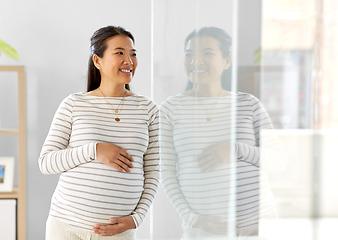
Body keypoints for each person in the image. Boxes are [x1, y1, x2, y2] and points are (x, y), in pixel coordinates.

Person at [160, 26, 287, 238]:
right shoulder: (170, 109)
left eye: (207, 53)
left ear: (226, 61)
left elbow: (279, 161)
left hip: (258, 229)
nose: (196, 61)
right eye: (189, 54)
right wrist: (192, 218)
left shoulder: (248, 104)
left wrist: (235, 149)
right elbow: (166, 173)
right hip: (202, 232)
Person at [38, 26, 159, 240]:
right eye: (119, 53)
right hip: (66, 227)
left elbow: (153, 171)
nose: (129, 61)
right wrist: (94, 150)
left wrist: (137, 218)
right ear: (97, 61)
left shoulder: (148, 109)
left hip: (118, 232)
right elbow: (46, 162)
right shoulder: (74, 104)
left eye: (133, 54)